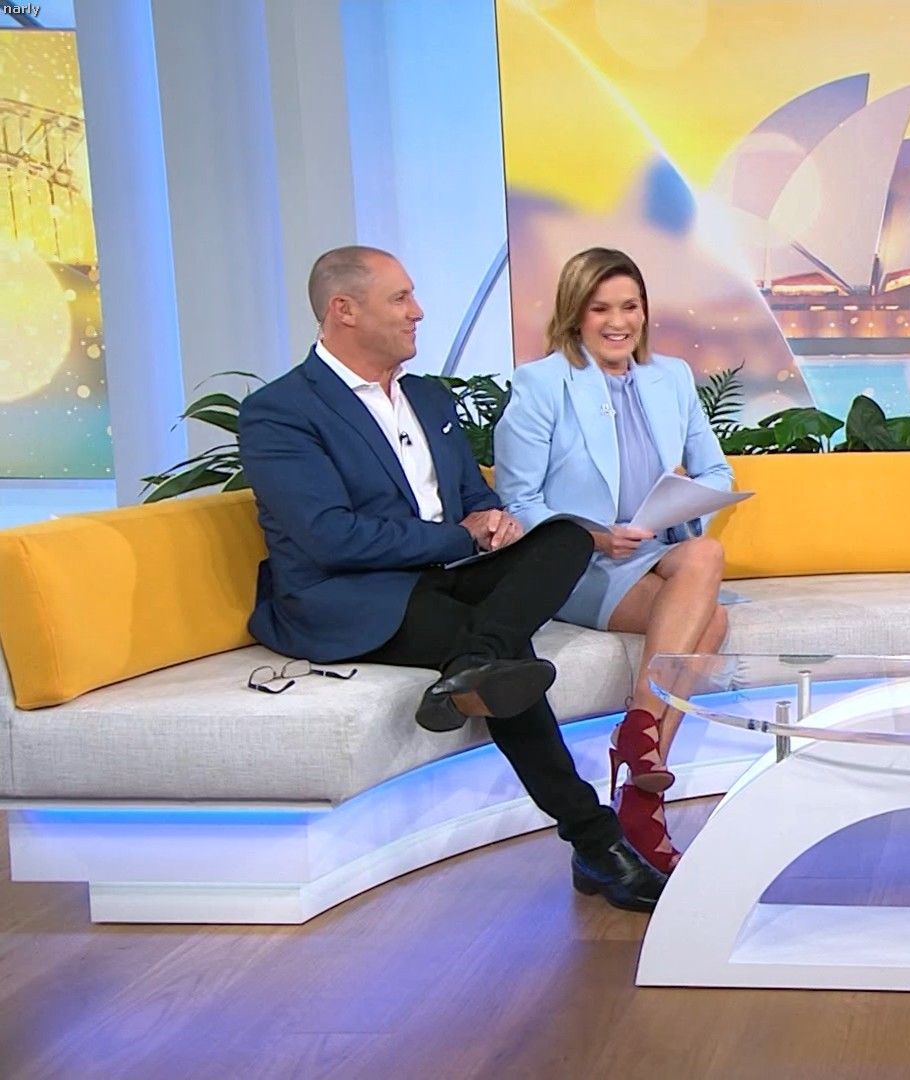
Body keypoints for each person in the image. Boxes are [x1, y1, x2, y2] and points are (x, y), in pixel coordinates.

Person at [238, 245, 665, 912]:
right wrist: (460, 536)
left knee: (565, 538)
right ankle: (596, 840)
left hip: (452, 575)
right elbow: (329, 537)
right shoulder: (283, 411)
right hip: (355, 596)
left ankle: (473, 664)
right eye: (400, 298)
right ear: (344, 310)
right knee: (503, 657)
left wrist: (492, 522)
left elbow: (473, 496)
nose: (418, 312)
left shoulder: (427, 396)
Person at [493, 247, 734, 875]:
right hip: (578, 563)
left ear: (645, 312)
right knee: (710, 621)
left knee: (702, 550)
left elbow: (716, 471)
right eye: (601, 309)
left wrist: (675, 509)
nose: (618, 322)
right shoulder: (542, 384)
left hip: (656, 549)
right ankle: (643, 787)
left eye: (630, 306)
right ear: (575, 314)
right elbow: (519, 502)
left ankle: (637, 752)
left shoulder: (671, 378)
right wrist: (596, 537)